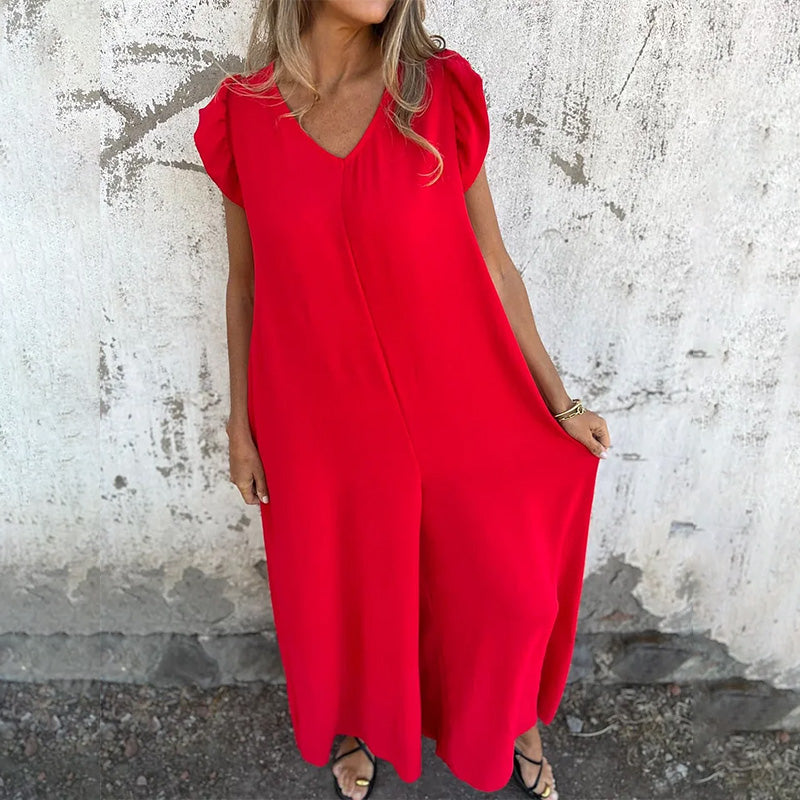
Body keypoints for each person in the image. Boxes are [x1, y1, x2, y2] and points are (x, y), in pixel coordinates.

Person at [193, 1, 610, 798]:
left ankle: (512, 715)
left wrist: (559, 402)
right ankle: (357, 724)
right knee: (345, 596)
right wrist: (240, 427)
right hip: (317, 413)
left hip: (458, 398)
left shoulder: (439, 92)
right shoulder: (242, 115)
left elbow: (494, 261)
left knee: (509, 595)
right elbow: (245, 283)